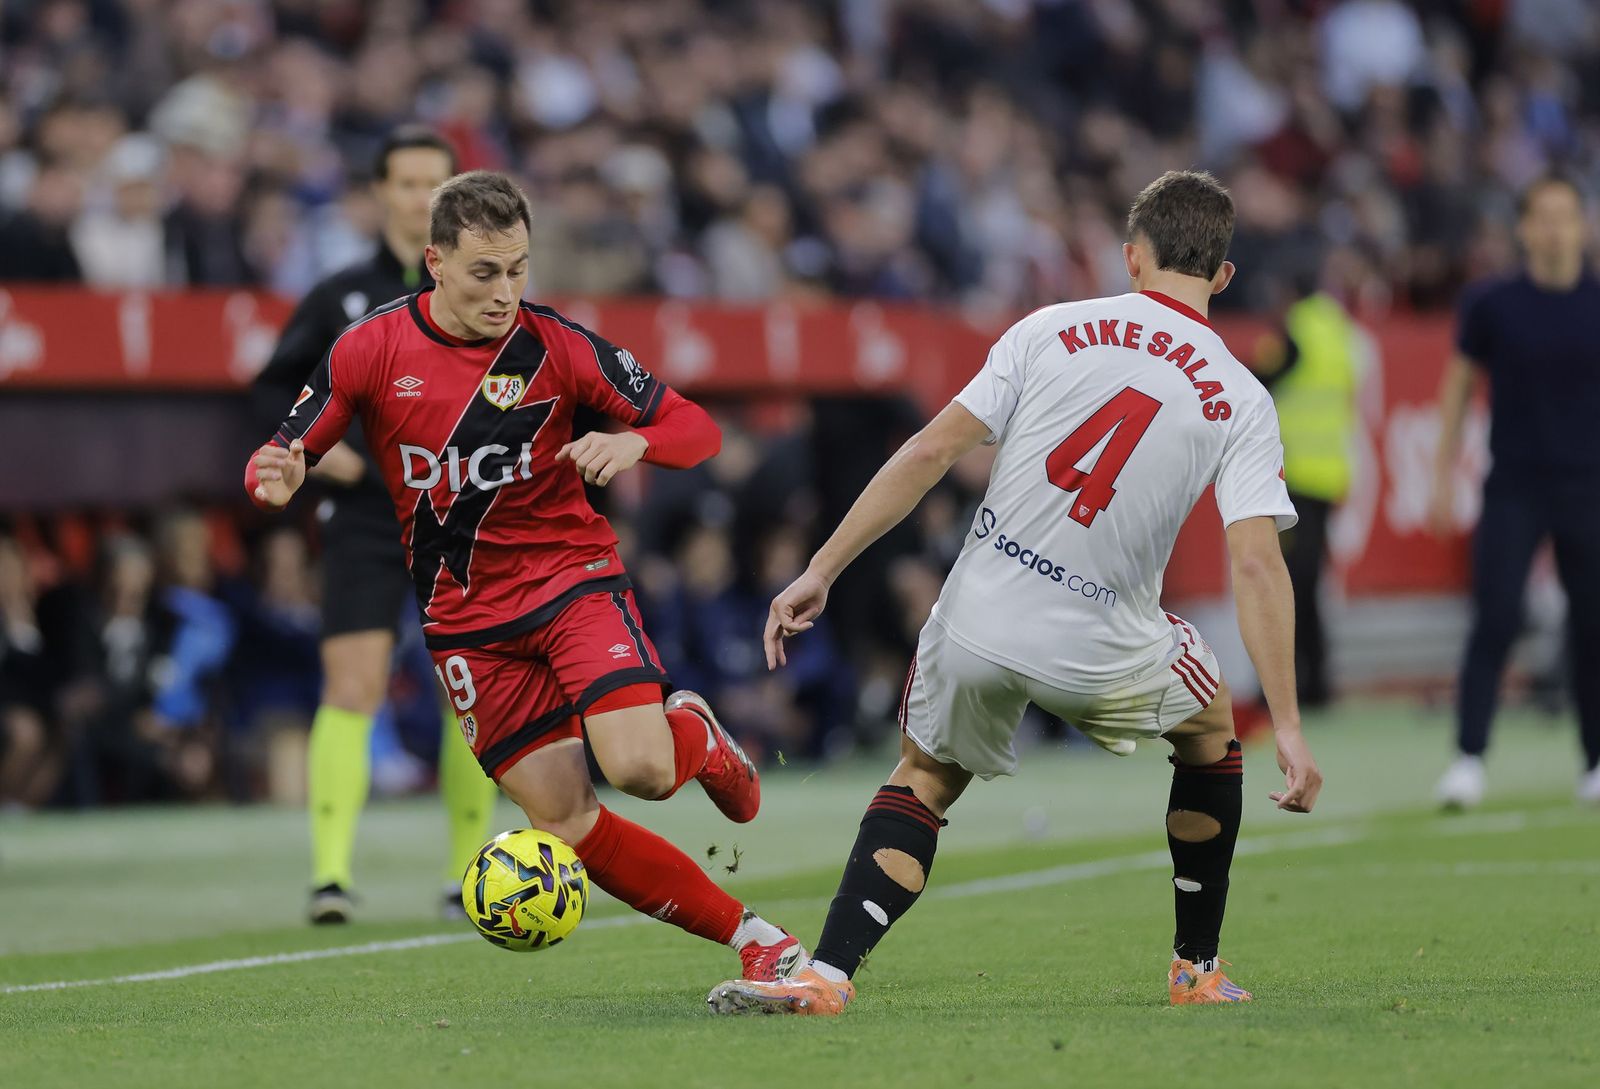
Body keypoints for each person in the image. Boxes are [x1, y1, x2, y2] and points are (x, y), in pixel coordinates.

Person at [707, 171, 1323, 1016]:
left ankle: (826, 972)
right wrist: (1287, 721)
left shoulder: (1050, 328)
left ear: (1131, 256)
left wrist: (821, 566)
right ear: (1223, 276)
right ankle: (1196, 969)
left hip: (979, 619)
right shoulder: (1242, 396)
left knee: (923, 775)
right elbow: (1256, 564)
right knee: (1213, 736)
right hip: (1107, 644)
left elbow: (929, 454)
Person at [246, 170, 804, 982]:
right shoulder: (368, 348)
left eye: (518, 269)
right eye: (484, 272)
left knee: (641, 770)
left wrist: (635, 442)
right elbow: (288, 446)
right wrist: (277, 475)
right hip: (466, 622)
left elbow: (696, 425)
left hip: (569, 583)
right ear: (434, 261)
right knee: (567, 820)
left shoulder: (558, 346)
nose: (506, 291)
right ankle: (759, 941)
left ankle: (693, 738)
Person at [252, 127, 500, 923]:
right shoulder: (339, 297)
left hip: (457, 515)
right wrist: (324, 455)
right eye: (407, 183)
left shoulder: (482, 293)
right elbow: (272, 397)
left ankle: (467, 871)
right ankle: (330, 877)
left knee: (468, 688)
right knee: (352, 683)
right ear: (380, 194)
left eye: (438, 182)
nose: (422, 197)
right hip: (364, 517)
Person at [1429, 174, 1600, 809]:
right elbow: (1456, 382)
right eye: (1544, 216)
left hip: (1589, 485)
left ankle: (1594, 762)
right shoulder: (1492, 303)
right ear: (1525, 228)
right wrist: (1443, 473)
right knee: (1494, 618)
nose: (1555, 228)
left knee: (1593, 625)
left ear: (1582, 226)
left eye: (1566, 215)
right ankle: (1469, 759)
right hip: (1515, 485)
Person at [1253, 272, 1361, 707]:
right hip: (1329, 473)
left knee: (1288, 581)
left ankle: (1292, 684)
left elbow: (1261, 381)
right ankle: (1318, 682)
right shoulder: (1338, 329)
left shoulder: (1293, 332)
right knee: (1308, 581)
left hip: (1293, 476)